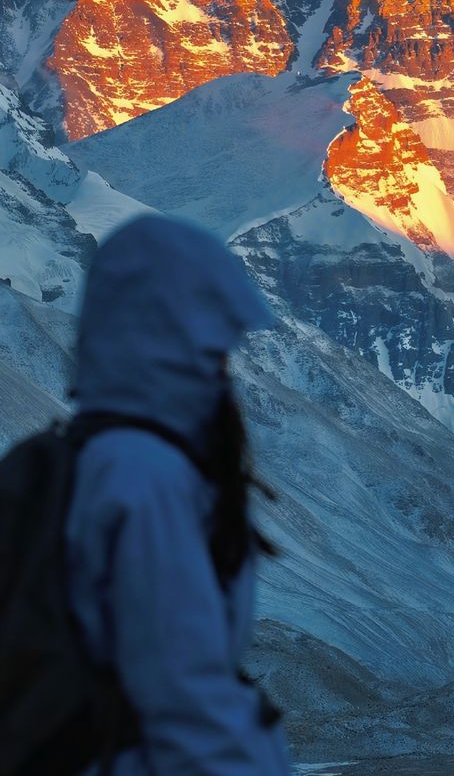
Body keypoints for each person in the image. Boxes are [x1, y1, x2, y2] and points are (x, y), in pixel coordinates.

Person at [64, 212, 290, 776]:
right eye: (214, 342)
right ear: (176, 335)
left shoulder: (98, 456)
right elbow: (185, 696)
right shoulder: (147, 477)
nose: (225, 366)